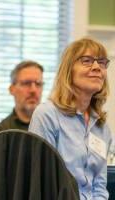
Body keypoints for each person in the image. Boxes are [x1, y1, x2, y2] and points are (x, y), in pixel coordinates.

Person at [29, 38, 112, 200]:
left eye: (102, 62)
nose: (97, 67)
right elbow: (42, 184)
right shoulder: (47, 115)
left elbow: (99, 187)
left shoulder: (102, 128)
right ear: (68, 71)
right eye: (87, 61)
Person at [0, 60, 44, 135]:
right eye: (26, 83)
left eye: (38, 84)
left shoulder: (52, 130)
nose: (33, 90)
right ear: (12, 89)